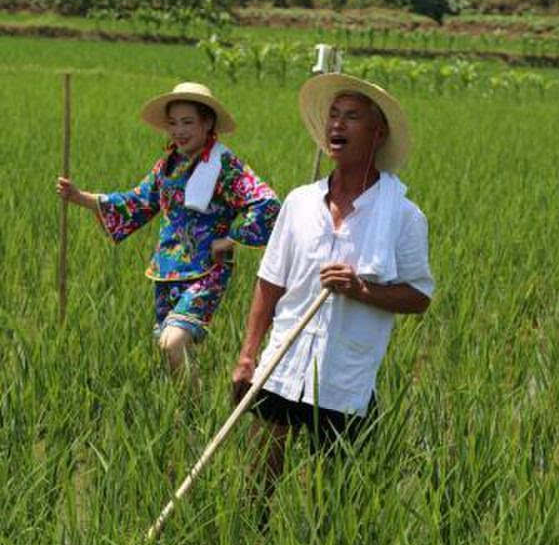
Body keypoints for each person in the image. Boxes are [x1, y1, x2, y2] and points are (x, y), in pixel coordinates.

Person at [232, 73, 434, 492]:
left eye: (352, 117)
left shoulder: (403, 215)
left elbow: (419, 297)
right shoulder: (300, 202)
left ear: (377, 134)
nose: (337, 125)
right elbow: (270, 282)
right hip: (283, 362)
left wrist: (362, 289)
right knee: (258, 480)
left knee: (332, 493)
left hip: (344, 375)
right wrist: (249, 355)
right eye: (334, 116)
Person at [57, 82, 280, 373]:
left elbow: (267, 202)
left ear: (207, 123)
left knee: (171, 342)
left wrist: (232, 238)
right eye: (173, 123)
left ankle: (194, 408)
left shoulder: (225, 164)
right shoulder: (167, 165)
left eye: (188, 122)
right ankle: (190, 411)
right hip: (167, 268)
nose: (179, 130)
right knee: (169, 346)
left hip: (208, 269)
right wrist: (80, 197)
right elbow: (137, 202)